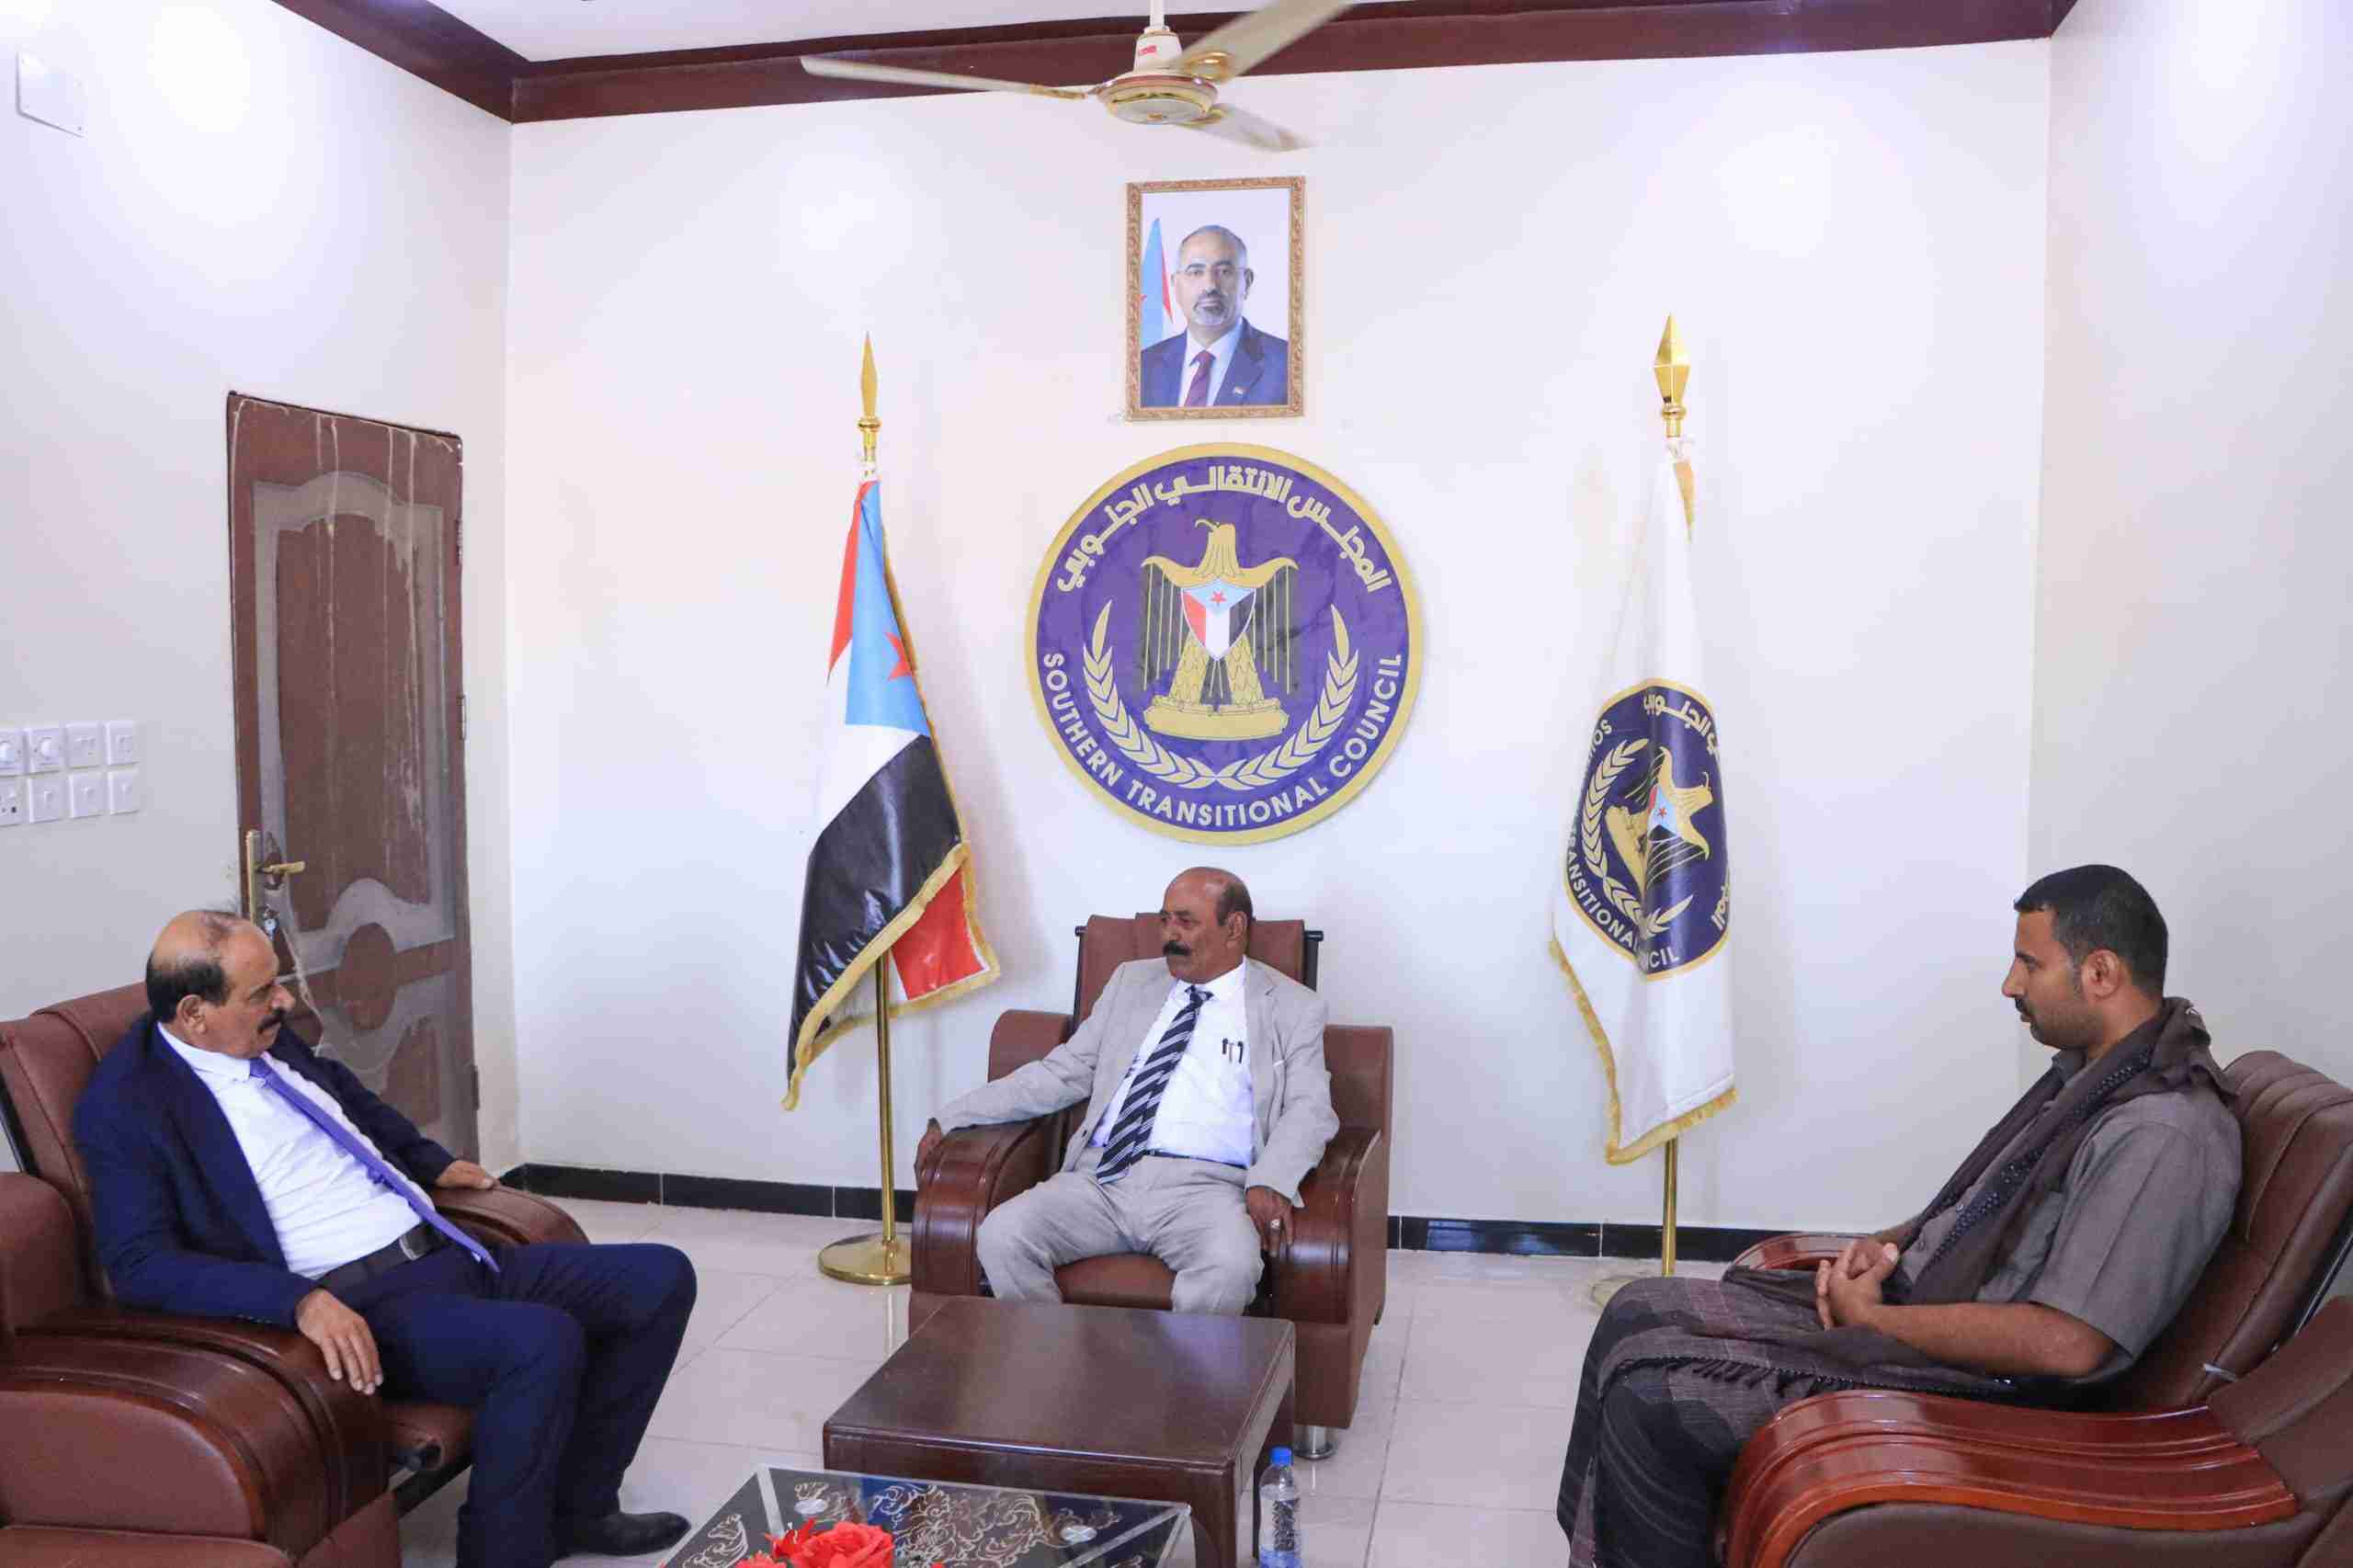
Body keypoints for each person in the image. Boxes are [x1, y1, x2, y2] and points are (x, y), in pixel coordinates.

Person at [1557, 865, 2241, 1568]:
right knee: (1638, 1308)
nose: (2010, 984)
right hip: (1922, 1311)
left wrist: (1875, 1322)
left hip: (1985, 1393)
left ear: (2100, 972)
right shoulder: (2094, 1078)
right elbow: (1979, 1211)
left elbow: (2069, 1343)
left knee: (1654, 1394)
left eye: (2029, 964)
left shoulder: (2162, 1131)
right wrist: (1881, 1250)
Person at [74, 912, 699, 1568]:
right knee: (541, 1343)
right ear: (195, 1013)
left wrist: (429, 1160)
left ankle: (581, 1511)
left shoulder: (261, 1038)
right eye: (262, 992)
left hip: (444, 1250)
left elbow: (347, 1101)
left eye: (278, 982)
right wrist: (297, 1301)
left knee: (659, 1279)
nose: (285, 1000)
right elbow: (140, 1263)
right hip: (364, 1305)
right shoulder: (128, 1105)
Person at [915, 868, 1337, 1314]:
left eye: (1186, 922)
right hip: (1102, 1178)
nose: (1169, 935)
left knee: (1229, 1271)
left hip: (1208, 1190)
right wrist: (955, 1115)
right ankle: (1053, 1352)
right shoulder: (1131, 982)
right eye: (1164, 920)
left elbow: (1310, 1108)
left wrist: (1271, 1179)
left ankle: (1181, 1365)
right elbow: (1063, 1072)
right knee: (1002, 1236)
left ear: (1234, 928)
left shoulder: (1292, 1007)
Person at [1139, 224, 1292, 409]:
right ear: (1176, 285)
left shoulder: (1288, 365)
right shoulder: (1143, 367)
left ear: (1247, 282)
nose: (1210, 285)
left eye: (1224, 271)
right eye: (1196, 272)